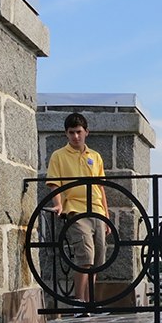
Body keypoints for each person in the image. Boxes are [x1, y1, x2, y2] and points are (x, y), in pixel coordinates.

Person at [46, 113, 110, 310]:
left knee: (98, 259)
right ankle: (78, 302)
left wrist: (106, 216)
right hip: (75, 209)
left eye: (79, 132)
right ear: (66, 134)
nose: (75, 136)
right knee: (85, 257)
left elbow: (101, 187)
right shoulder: (59, 155)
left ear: (86, 132)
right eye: (71, 132)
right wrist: (59, 204)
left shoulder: (95, 156)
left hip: (97, 210)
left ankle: (90, 303)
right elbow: (54, 184)